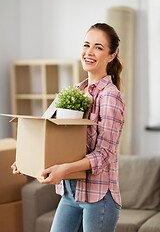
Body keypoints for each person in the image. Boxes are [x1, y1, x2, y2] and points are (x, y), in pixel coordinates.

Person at [11, 23, 125, 232]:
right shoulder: (74, 92)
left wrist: (63, 169)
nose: (89, 52)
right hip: (70, 193)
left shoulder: (110, 97)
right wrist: (27, 161)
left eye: (98, 47)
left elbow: (104, 154)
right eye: (86, 45)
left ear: (111, 56)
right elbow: (50, 133)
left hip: (99, 197)